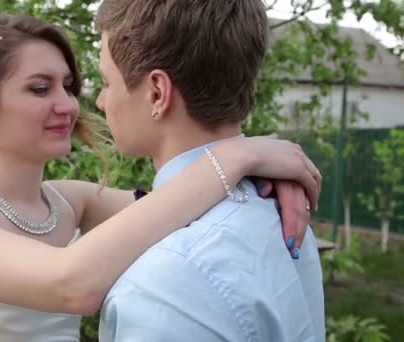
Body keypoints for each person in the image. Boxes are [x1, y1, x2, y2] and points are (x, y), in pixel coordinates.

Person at [0, 14, 321, 341]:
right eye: (39, 89)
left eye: (68, 86)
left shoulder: (71, 202)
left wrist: (263, 177)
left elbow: (182, 205)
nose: (68, 105)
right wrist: (238, 156)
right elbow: (70, 284)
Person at [94, 1, 325, 341]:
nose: (100, 101)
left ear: (157, 93)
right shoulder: (280, 209)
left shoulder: (165, 286)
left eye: (105, 82)